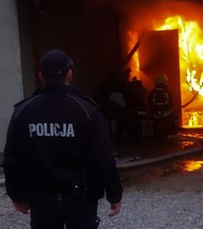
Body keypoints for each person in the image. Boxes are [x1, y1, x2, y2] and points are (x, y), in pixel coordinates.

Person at [3, 49, 123, 229]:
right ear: (69, 74)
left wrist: (16, 196)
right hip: (81, 199)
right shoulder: (86, 110)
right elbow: (103, 157)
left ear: (41, 76)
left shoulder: (24, 111)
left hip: (42, 200)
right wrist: (114, 194)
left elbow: (12, 158)